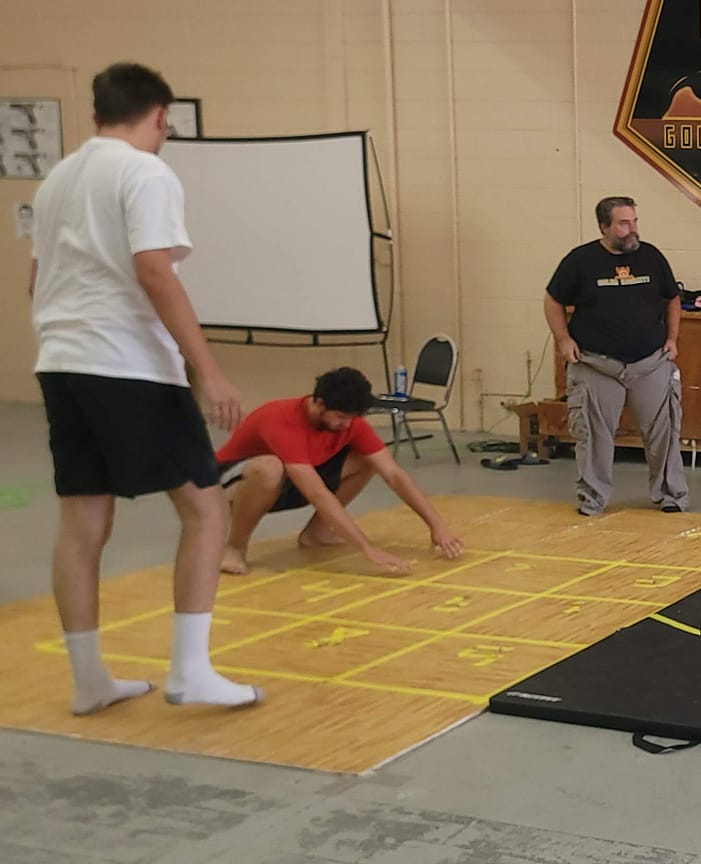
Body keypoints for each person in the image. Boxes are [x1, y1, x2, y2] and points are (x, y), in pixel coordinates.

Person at [28, 62, 260, 714]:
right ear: (160, 117)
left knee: (82, 521)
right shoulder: (145, 172)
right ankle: (191, 672)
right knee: (207, 509)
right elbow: (154, 271)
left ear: (97, 112)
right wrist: (208, 369)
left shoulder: (56, 180)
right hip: (126, 363)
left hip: (62, 361)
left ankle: (90, 681)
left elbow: (36, 281)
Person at [215, 367, 466, 576]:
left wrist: (436, 526)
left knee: (366, 460)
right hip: (226, 487)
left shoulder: (351, 423)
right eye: (341, 417)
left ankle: (317, 532)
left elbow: (393, 474)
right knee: (270, 468)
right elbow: (316, 493)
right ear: (319, 403)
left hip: (288, 482)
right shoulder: (281, 420)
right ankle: (235, 548)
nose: (346, 425)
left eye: (352, 418)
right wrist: (367, 549)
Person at [542, 196, 690, 516]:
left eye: (634, 222)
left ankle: (671, 495)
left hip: (650, 361)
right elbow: (553, 300)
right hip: (596, 364)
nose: (632, 229)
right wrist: (563, 339)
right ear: (603, 226)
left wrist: (672, 338)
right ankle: (592, 499)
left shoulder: (651, 257)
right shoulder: (580, 261)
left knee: (664, 431)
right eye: (624, 224)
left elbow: (672, 298)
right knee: (593, 435)